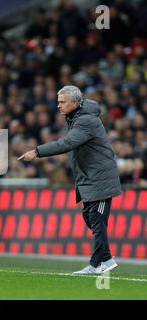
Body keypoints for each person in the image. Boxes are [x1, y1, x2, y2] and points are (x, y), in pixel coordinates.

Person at [18, 85, 121, 274]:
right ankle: (105, 258)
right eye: (58, 101)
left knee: (97, 222)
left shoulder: (86, 120)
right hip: (89, 179)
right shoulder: (76, 117)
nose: (58, 105)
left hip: (101, 179)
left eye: (62, 102)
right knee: (90, 218)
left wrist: (37, 152)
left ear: (75, 102)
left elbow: (66, 143)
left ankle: (97, 264)